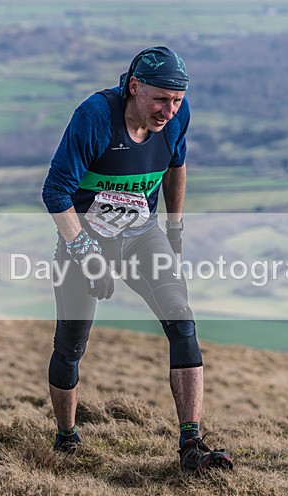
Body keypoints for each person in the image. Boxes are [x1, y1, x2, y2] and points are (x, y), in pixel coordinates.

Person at [41, 46, 232, 474]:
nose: (169, 110)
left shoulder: (177, 118)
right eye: (160, 99)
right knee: (70, 345)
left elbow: (176, 165)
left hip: (142, 234)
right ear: (134, 87)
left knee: (182, 321)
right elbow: (55, 193)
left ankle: (191, 443)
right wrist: (84, 252)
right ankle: (66, 438)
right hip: (84, 237)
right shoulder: (95, 117)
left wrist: (175, 229)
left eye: (177, 100)